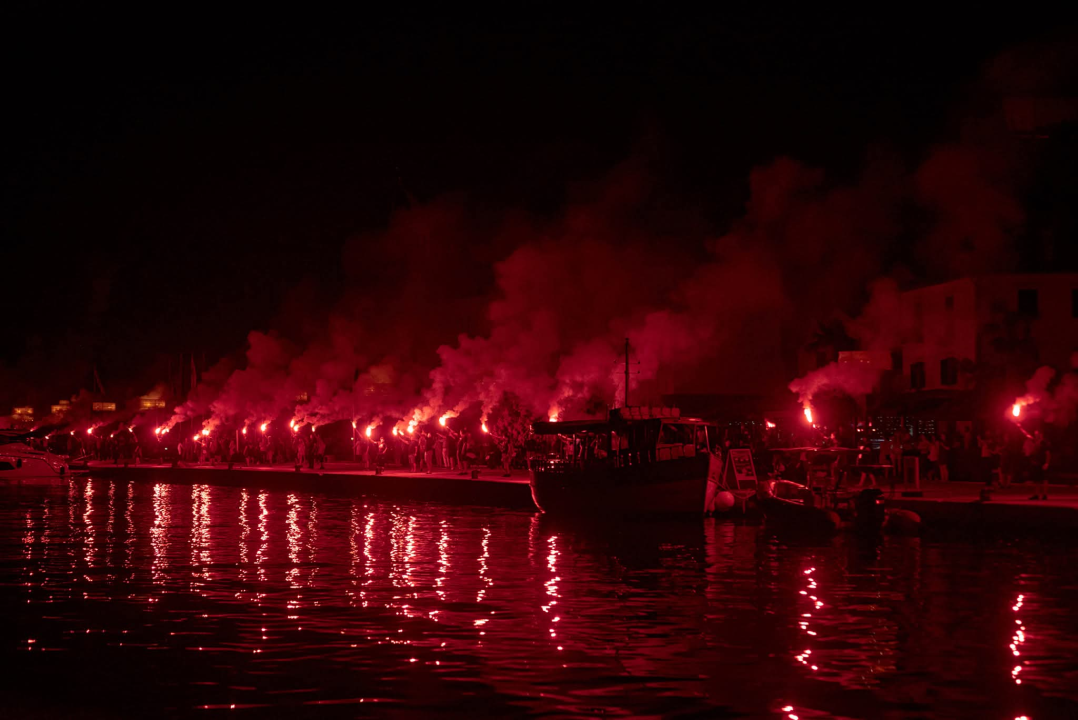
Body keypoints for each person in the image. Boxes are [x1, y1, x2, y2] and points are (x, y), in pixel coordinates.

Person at [1028, 430, 1051, 500]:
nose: (1036, 435)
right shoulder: (1035, 442)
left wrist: (1047, 463)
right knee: (1036, 480)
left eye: (1037, 434)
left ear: (1041, 434)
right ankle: (1036, 494)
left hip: (1042, 463)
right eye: (1035, 434)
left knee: (1044, 479)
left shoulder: (1044, 442)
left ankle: (1044, 495)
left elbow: (1048, 453)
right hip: (1036, 463)